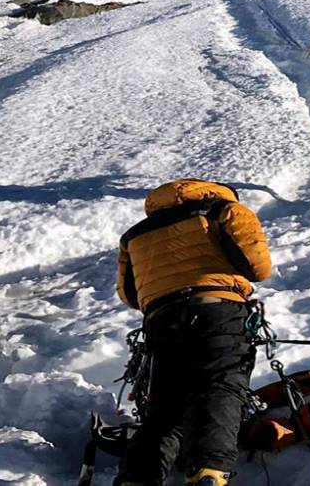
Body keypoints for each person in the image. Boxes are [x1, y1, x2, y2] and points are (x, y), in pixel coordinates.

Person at [114, 179, 273, 486]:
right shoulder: (225, 210)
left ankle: (137, 477)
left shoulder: (135, 235)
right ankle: (208, 471)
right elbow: (259, 267)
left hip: (162, 319)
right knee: (220, 386)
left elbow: (129, 295)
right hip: (218, 310)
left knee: (166, 404)